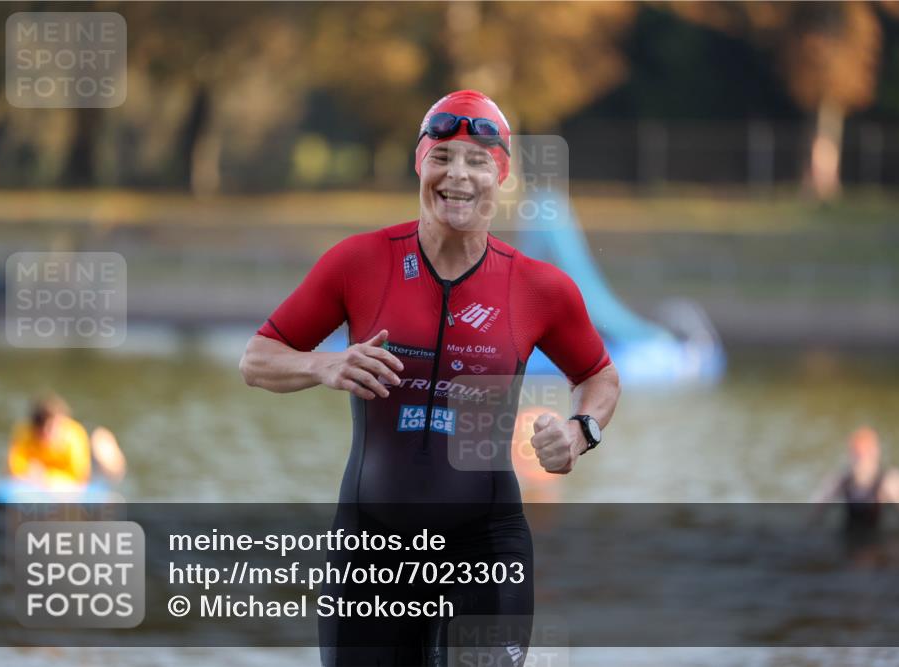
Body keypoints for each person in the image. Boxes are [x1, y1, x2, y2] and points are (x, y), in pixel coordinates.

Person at [241, 89, 621, 666]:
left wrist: (578, 432)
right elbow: (257, 358)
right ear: (420, 164)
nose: (457, 176)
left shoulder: (538, 288)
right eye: (442, 156)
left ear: (502, 176)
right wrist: (324, 364)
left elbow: (599, 376)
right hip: (369, 548)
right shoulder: (360, 263)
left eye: (476, 161)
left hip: (485, 552)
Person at [811, 426, 899, 538]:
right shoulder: (841, 479)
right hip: (851, 542)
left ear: (875, 453)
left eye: (866, 454)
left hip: (879, 544)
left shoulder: (891, 480)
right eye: (857, 455)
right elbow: (813, 515)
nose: (862, 461)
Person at [7, 395, 126, 491]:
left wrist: (46, 477)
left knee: (101, 442)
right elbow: (15, 470)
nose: (50, 434)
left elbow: (80, 477)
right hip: (48, 475)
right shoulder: (25, 433)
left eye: (54, 428)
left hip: (91, 464)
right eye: (45, 431)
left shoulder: (73, 435)